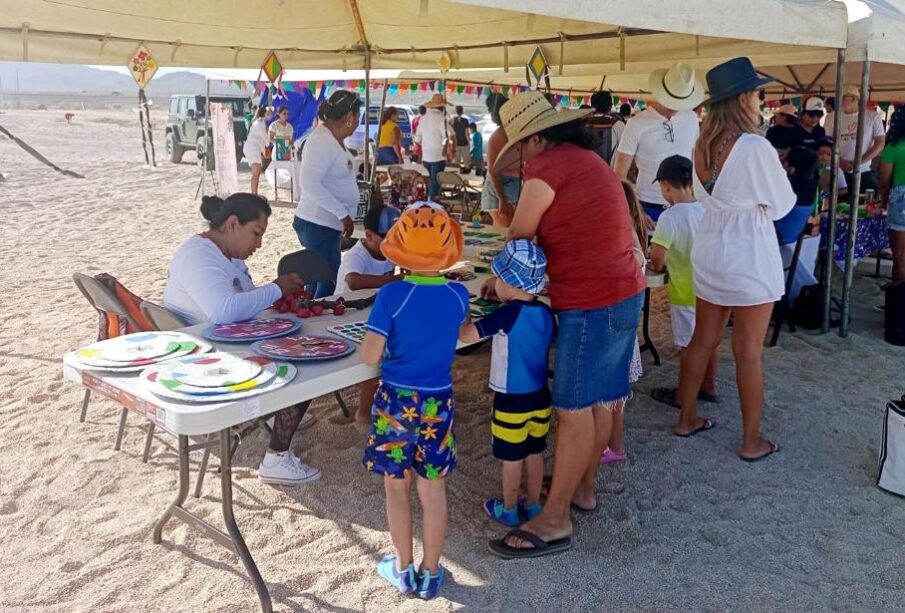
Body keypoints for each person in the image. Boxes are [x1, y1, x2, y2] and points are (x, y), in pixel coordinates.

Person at [484, 91, 644, 559]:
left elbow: (519, 237)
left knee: (573, 407)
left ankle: (554, 519)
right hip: (620, 292)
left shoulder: (549, 168)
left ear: (533, 140)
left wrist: (497, 283)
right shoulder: (582, 160)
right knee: (596, 402)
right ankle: (582, 489)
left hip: (592, 298)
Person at [676, 57, 795, 462]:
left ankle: (686, 417)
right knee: (748, 351)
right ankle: (750, 440)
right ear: (744, 97)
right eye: (758, 93)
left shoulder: (701, 144)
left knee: (702, 340)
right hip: (749, 254)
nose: (760, 99)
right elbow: (782, 205)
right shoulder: (755, 147)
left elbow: (706, 195)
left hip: (712, 247)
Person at [163, 193, 321, 485]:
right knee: (303, 362)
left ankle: (276, 411)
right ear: (233, 224)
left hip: (221, 343)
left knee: (300, 340)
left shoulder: (223, 255)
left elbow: (245, 301)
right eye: (256, 234)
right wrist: (276, 289)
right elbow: (224, 311)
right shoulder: (198, 255)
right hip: (206, 357)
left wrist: (280, 298)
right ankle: (276, 458)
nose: (258, 245)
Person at [360, 202, 468, 599]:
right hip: (438, 401)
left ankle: (403, 568)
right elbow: (465, 336)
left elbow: (370, 355)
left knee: (396, 485)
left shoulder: (392, 295)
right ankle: (431, 570)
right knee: (433, 488)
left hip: (395, 400)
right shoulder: (458, 295)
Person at [460, 240, 554, 527]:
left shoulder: (506, 314)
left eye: (498, 278)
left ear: (510, 283)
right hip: (540, 396)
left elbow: (467, 336)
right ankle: (534, 504)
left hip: (511, 399)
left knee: (511, 457)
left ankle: (510, 507)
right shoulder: (545, 313)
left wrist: (464, 310)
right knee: (535, 452)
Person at [647, 155, 719, 408]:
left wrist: (654, 261)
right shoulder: (706, 208)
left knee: (688, 347)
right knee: (708, 342)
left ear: (666, 185)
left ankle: (685, 395)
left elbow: (657, 259)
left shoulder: (670, 217)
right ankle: (709, 386)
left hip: (684, 291)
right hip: (709, 290)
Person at [334, 205, 404, 424]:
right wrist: (396, 281)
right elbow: (354, 282)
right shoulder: (357, 255)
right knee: (377, 355)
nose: (391, 244)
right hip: (345, 313)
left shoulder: (390, 250)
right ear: (368, 235)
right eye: (386, 239)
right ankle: (364, 412)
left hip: (373, 310)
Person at [613, 63, 704, 225]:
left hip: (686, 204)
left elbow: (694, 162)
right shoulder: (636, 124)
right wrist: (635, 211)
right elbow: (619, 175)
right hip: (647, 204)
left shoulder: (691, 119)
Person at [294, 90, 363, 298]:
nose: (359, 122)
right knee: (328, 281)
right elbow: (309, 183)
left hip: (325, 225)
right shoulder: (322, 140)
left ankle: (311, 314)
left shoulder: (332, 139)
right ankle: (317, 322)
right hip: (318, 223)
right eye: (358, 117)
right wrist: (342, 213)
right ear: (350, 117)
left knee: (319, 281)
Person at [774, 147, 821, 301]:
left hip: (778, 238)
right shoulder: (812, 184)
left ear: (791, 166)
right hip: (792, 237)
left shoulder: (787, 184)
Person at [829, 85, 886, 197]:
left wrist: (859, 162)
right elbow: (827, 142)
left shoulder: (873, 116)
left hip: (864, 171)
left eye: (842, 98)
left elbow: (880, 142)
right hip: (839, 172)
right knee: (838, 209)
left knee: (866, 207)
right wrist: (840, 162)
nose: (838, 101)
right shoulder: (831, 117)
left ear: (854, 99)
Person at [481, 92, 522, 227]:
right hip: (500, 190)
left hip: (512, 187)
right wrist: (502, 198)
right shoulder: (498, 137)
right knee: (505, 232)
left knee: (508, 231)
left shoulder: (515, 134)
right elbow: (493, 171)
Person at [879, 106, 905, 282]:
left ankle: (899, 303)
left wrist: (884, 200)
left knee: (900, 256)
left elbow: (884, 179)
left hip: (900, 198)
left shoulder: (894, 147)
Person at [415, 94, 450, 200]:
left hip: (426, 157)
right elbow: (446, 137)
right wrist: (445, 152)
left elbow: (417, 139)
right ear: (442, 107)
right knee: (435, 185)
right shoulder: (441, 119)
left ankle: (430, 202)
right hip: (438, 156)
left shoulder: (423, 119)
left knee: (430, 182)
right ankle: (431, 205)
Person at [584, 90, 625, 164]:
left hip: (586, 170)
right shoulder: (618, 125)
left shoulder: (582, 124)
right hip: (610, 171)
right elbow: (624, 150)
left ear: (592, 106)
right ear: (610, 106)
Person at [243, 106, 272, 194]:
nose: (270, 114)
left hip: (254, 148)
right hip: (253, 148)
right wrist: (268, 146)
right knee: (256, 173)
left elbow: (262, 140)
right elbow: (264, 137)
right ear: (264, 113)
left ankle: (254, 193)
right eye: (269, 112)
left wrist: (265, 151)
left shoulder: (260, 122)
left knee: (257, 172)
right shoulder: (259, 122)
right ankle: (254, 194)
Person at [450, 105, 471, 172]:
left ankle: (456, 177)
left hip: (455, 144)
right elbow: (466, 133)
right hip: (464, 143)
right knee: (466, 161)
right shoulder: (465, 121)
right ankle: (466, 178)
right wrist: (469, 142)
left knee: (456, 161)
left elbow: (450, 133)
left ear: (456, 111)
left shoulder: (451, 121)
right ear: (462, 111)